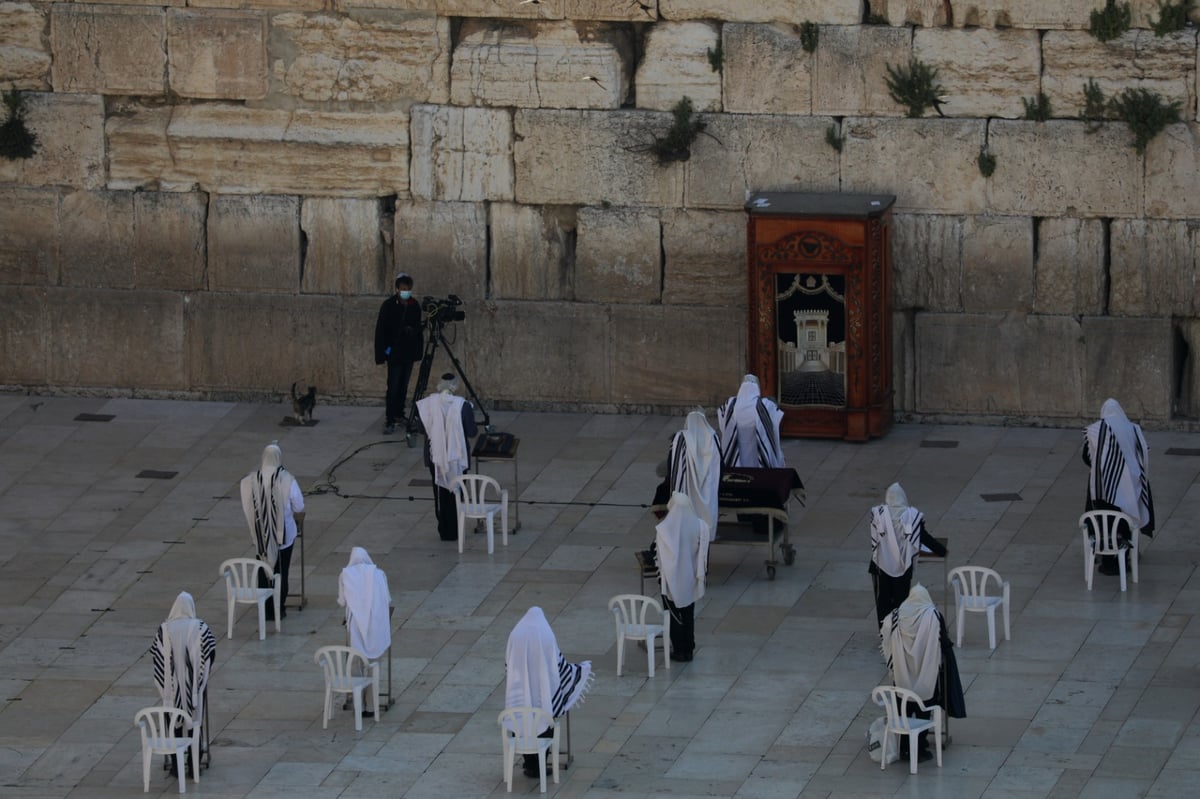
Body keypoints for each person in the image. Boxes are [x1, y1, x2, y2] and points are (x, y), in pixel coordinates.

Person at [879, 584, 965, 761]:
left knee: (904, 710)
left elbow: (885, 632)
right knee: (924, 710)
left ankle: (903, 747)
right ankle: (919, 748)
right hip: (926, 672)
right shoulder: (932, 615)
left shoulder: (896, 616)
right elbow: (944, 641)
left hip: (902, 674)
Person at [505, 607, 592, 779]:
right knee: (544, 718)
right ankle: (539, 767)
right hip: (542, 688)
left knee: (521, 720)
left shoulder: (516, 633)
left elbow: (508, 660)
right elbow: (556, 664)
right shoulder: (545, 634)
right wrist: (578, 671)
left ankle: (529, 764)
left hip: (520, 685)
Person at [1083, 398, 1155, 576]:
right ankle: (1128, 551)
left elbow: (1086, 456)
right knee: (1127, 518)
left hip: (1103, 491)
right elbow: (1144, 452)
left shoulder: (1096, 430)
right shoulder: (1133, 429)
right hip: (1133, 487)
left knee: (1102, 515)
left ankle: (1106, 555)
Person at [150, 592, 216, 777]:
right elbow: (210, 652)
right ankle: (193, 765)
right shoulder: (200, 628)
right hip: (194, 687)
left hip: (170, 689)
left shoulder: (164, 630)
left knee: (172, 723)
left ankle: (176, 766)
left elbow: (156, 656)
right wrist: (199, 678)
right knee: (195, 723)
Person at [239, 442, 304, 620]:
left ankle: (265, 608)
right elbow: (299, 505)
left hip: (261, 536)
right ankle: (278, 609)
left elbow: (247, 505)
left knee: (263, 570)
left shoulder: (250, 481)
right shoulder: (287, 479)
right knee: (281, 572)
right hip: (284, 537)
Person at [868, 483, 946, 625]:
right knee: (901, 600)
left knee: (883, 600)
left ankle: (884, 632)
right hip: (903, 565)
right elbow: (923, 536)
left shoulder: (878, 514)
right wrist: (941, 550)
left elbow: (875, 539)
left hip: (881, 565)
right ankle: (900, 631)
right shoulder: (911, 516)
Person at [416, 373, 478, 541]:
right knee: (458, 492)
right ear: (455, 387)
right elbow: (472, 432)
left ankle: (444, 529)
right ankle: (456, 529)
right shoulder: (463, 406)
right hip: (458, 458)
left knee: (440, 494)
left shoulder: (427, 404)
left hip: (435, 457)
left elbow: (421, 429)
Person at [655, 491, 711, 662]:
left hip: (670, 579)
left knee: (672, 615)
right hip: (690, 576)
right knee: (688, 613)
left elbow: (659, 555)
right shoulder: (700, 525)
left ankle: (679, 649)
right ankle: (688, 647)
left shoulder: (663, 530)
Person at [374, 272, 424, 435]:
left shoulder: (414, 305)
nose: (406, 292)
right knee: (393, 387)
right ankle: (390, 419)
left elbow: (418, 328)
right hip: (394, 353)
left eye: (408, 289)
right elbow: (381, 330)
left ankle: (399, 414)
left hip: (408, 353)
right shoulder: (389, 305)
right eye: (403, 289)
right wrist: (383, 353)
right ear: (397, 289)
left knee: (403, 387)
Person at [667, 410, 721, 534]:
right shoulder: (713, 438)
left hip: (687, 493)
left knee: (686, 534)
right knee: (704, 534)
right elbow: (720, 465)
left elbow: (673, 464)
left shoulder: (680, 438)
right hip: (708, 494)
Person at [718, 374, 785, 468]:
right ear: (757, 388)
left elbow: (722, 422)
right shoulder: (764, 405)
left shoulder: (731, 404)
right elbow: (776, 416)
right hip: (756, 449)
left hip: (737, 448)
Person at [338, 547, 392, 660]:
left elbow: (342, 601)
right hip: (376, 621)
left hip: (355, 623)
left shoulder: (345, 575)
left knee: (356, 659)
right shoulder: (380, 574)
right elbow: (387, 598)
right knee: (375, 662)